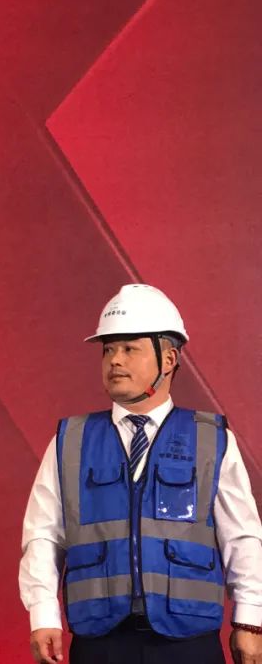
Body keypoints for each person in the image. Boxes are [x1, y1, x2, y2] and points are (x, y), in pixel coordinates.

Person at [20, 283, 262, 664]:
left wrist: (250, 620)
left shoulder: (211, 440)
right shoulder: (71, 441)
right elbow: (43, 535)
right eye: (108, 350)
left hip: (188, 643)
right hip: (100, 642)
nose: (115, 360)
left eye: (129, 349)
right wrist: (42, 613)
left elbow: (242, 537)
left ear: (169, 359)